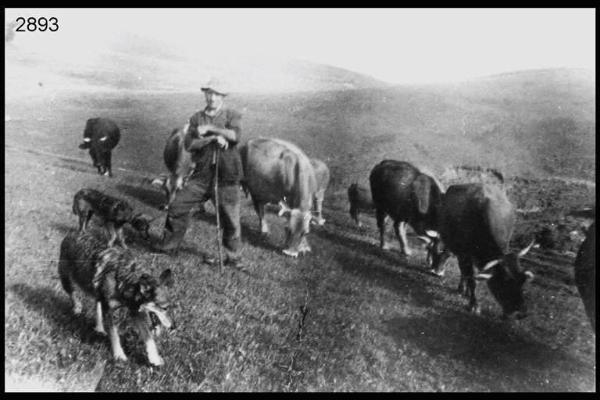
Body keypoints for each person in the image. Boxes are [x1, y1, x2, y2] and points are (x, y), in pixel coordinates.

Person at [153, 79, 245, 267]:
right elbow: (189, 144)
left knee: (230, 219)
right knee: (177, 205)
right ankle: (169, 246)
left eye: (216, 94)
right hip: (201, 176)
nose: (212, 97)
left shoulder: (232, 115)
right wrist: (211, 139)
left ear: (222, 97)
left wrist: (213, 130)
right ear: (205, 94)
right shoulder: (196, 117)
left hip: (226, 176)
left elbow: (235, 136)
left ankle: (234, 258)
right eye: (209, 93)